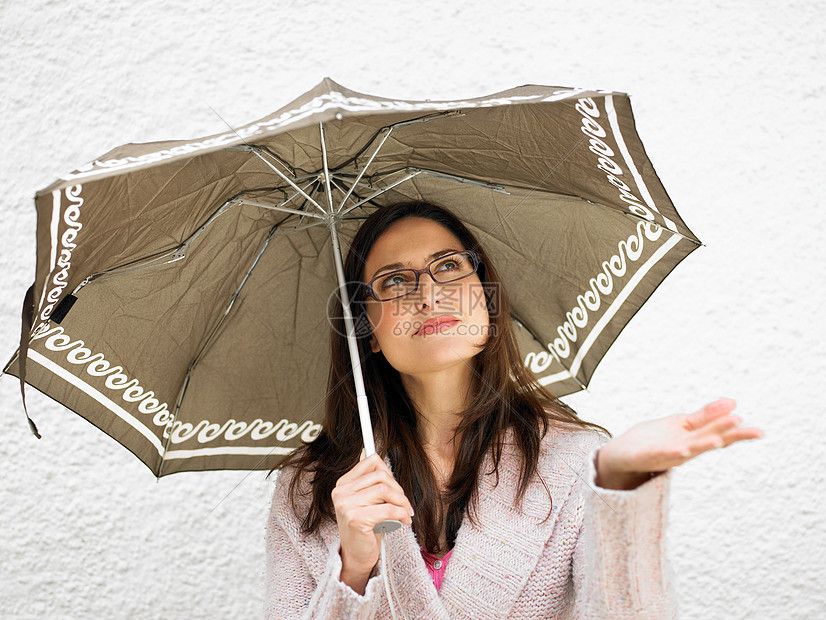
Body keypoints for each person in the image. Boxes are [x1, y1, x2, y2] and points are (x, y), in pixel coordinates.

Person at [265, 201, 763, 619]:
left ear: (485, 295)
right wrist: (353, 570)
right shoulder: (310, 488)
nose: (429, 293)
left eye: (448, 266)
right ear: (367, 332)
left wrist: (618, 482)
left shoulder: (570, 460)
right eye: (395, 281)